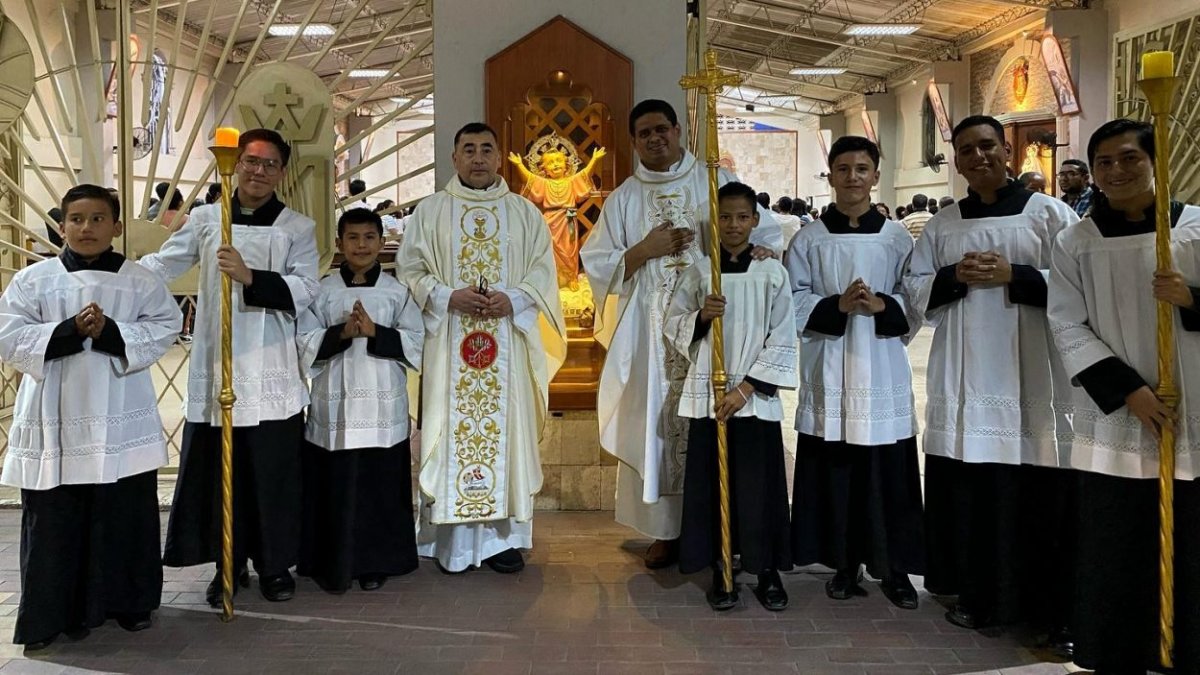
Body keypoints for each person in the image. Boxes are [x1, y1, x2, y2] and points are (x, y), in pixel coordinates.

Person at [580, 99, 782, 568]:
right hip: (652, 334)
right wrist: (643, 249)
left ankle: (725, 529)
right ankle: (667, 532)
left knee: (717, 424)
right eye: (644, 133)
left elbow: (764, 237)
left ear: (677, 131)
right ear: (633, 142)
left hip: (716, 325)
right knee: (661, 428)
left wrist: (760, 259)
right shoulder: (625, 197)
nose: (654, 139)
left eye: (661, 130)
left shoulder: (714, 180)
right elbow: (594, 262)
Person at [904, 115, 1078, 642]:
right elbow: (913, 286)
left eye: (987, 146)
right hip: (965, 374)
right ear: (955, 161)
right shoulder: (942, 223)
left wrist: (1018, 275)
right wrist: (952, 276)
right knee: (973, 492)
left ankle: (1040, 603)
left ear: (1007, 151)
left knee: (1033, 493)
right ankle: (976, 592)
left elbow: (1080, 282)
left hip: (1031, 373)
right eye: (966, 150)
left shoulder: (1049, 214)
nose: (978, 157)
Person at [141, 128, 319, 606]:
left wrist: (251, 277)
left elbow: (307, 290)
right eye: (250, 161)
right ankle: (227, 561)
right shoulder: (204, 220)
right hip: (215, 363)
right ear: (235, 164)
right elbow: (162, 264)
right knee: (220, 471)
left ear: (282, 172)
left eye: (270, 164)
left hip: (269, 369)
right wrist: (111, 275)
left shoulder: (297, 227)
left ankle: (275, 565)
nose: (258, 171)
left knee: (271, 471)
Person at [1048, 118, 1200, 674]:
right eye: (1104, 163)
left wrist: (1193, 297)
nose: (1116, 172)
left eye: (1129, 158)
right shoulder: (1075, 242)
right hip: (1118, 415)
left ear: (1155, 161)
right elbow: (1066, 325)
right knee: (1116, 541)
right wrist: (1128, 391)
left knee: (1189, 540)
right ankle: (1116, 648)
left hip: (1191, 409)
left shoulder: (1195, 230)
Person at [0, 185, 180, 649]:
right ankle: (48, 614)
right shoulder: (34, 279)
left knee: (123, 511)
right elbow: (8, 334)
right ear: (61, 225)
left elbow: (165, 326)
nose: (86, 228)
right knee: (55, 518)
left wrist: (111, 332)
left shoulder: (140, 280)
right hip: (55, 413)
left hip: (120, 406)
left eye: (98, 219)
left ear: (117, 227)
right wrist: (68, 331)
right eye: (76, 219)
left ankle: (129, 603)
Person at [399, 122, 566, 574]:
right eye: (467, 148)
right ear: (454, 158)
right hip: (448, 340)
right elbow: (409, 269)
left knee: (504, 436)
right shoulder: (430, 212)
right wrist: (445, 295)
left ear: (499, 158)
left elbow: (543, 273)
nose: (477, 157)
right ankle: (448, 538)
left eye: (486, 149)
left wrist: (513, 298)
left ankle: (501, 541)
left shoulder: (524, 214)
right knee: (448, 431)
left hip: (507, 342)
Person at [787, 137, 924, 611]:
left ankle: (896, 568)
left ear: (875, 176)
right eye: (842, 168)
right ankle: (843, 564)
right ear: (830, 175)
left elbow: (916, 297)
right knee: (837, 469)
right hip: (831, 364)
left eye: (861, 168)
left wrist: (885, 304)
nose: (852, 177)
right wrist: (835, 306)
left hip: (882, 365)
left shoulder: (896, 237)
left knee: (888, 473)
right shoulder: (808, 239)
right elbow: (792, 300)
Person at [669, 181, 798, 612]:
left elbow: (783, 336)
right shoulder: (702, 273)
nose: (734, 225)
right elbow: (674, 325)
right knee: (713, 484)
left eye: (743, 217)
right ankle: (722, 565)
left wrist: (746, 389)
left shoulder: (771, 272)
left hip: (752, 399)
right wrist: (701, 317)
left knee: (759, 487)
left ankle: (765, 570)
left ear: (756, 221)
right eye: (725, 217)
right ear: (714, 222)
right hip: (710, 393)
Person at [297, 208, 424, 593]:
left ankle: (376, 562)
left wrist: (376, 333)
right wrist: (340, 333)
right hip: (334, 408)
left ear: (382, 242)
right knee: (335, 486)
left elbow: (418, 342)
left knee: (378, 489)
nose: (361, 245)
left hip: (382, 409)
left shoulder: (397, 292)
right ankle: (331, 561)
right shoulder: (322, 290)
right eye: (352, 238)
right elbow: (303, 340)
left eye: (369, 237)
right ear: (339, 244)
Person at [509, 142, 607, 287]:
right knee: (550, 249)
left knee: (570, 249)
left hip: (568, 220)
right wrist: (519, 165)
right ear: (544, 169)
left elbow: (585, 174)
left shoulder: (571, 181)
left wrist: (594, 160)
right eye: (550, 163)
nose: (555, 165)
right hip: (550, 221)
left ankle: (571, 278)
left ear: (566, 164)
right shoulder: (544, 183)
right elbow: (530, 179)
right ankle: (552, 278)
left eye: (559, 161)